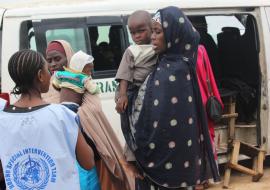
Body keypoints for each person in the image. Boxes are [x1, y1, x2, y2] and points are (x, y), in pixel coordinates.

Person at [120, 6, 220, 189]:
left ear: (173, 34)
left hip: (164, 168)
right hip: (179, 165)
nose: (152, 37)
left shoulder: (170, 71)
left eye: (157, 31)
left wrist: (129, 100)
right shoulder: (177, 63)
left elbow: (147, 114)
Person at [0, 49, 96, 189]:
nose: (50, 73)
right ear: (40, 75)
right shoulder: (63, 115)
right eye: (47, 69)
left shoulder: (3, 120)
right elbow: (88, 162)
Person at [45, 40, 134, 190]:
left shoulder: (85, 81)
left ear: (69, 58)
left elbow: (95, 110)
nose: (53, 64)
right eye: (49, 61)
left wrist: (65, 115)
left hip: (91, 152)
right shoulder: (48, 87)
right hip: (62, 157)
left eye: (57, 59)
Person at [115, 10, 157, 113]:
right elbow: (124, 75)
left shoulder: (157, 46)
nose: (137, 36)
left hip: (148, 89)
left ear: (152, 29)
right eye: (133, 33)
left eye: (141, 31)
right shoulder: (131, 51)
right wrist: (123, 95)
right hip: (132, 90)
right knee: (128, 118)